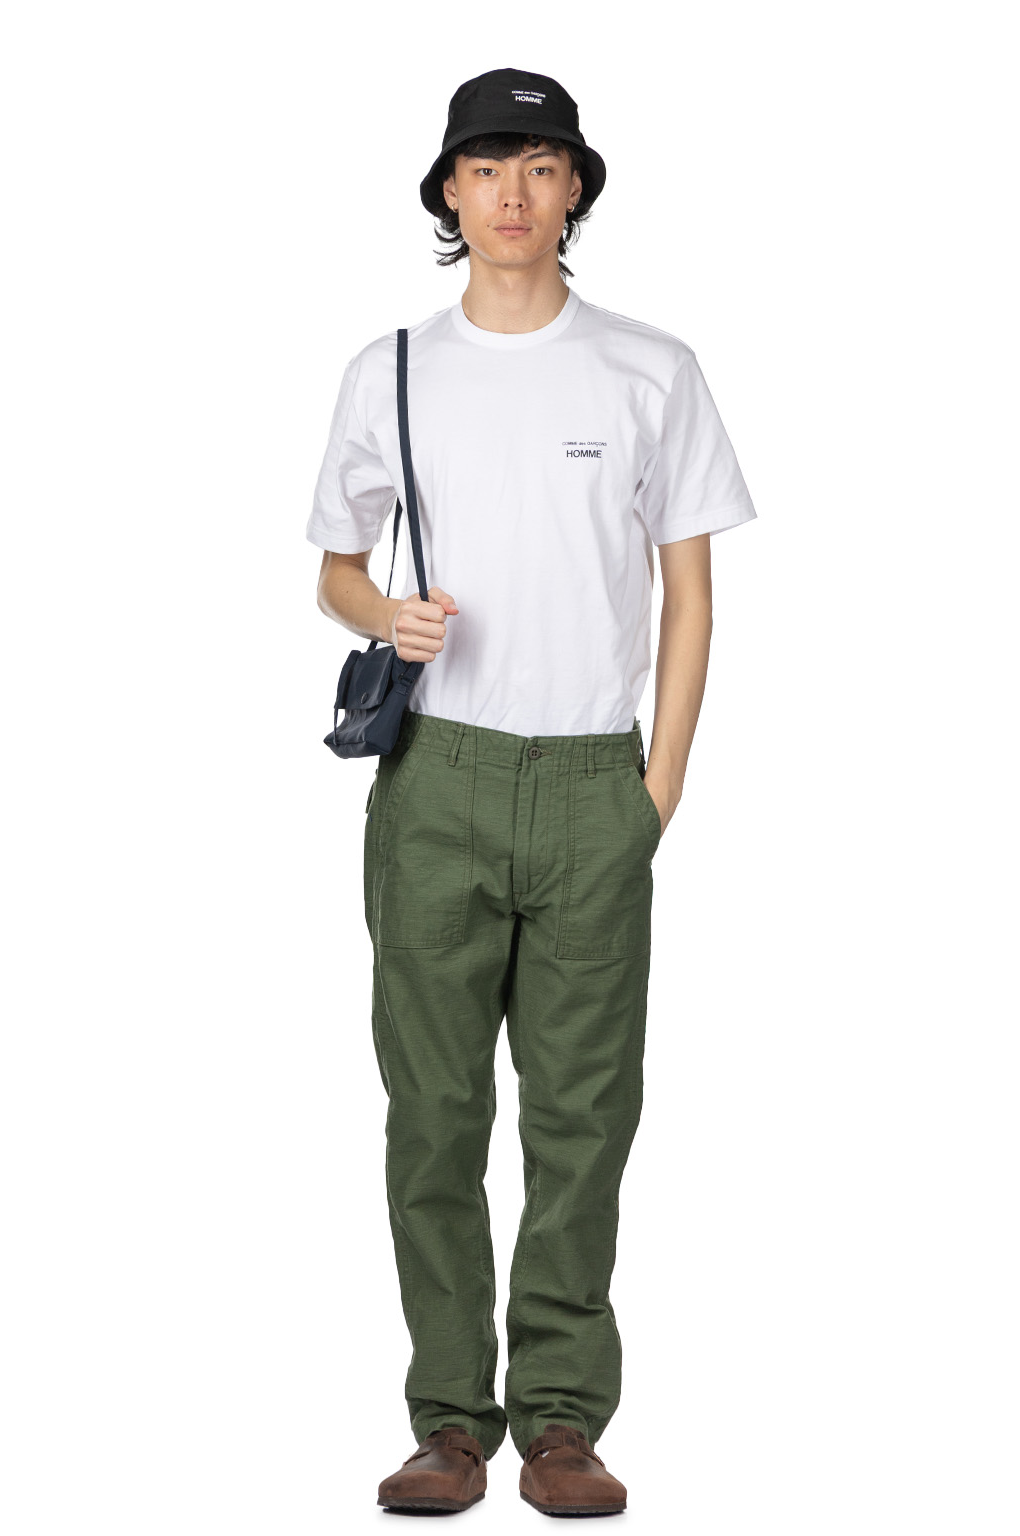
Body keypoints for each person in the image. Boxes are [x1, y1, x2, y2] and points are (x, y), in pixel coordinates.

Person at [306, 67, 758, 1517]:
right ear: (449, 190)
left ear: (575, 190)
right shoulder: (391, 370)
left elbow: (691, 595)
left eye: (542, 165)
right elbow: (334, 570)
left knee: (584, 1116)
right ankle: (450, 1420)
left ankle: (562, 1420)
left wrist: (656, 790)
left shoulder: (649, 368)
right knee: (433, 1115)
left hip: (589, 783)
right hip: (436, 775)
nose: (513, 192)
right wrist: (385, 615)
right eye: (488, 165)